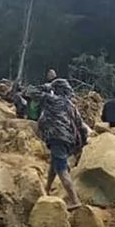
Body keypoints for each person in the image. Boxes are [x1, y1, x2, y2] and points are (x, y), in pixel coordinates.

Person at [39, 78, 88, 210]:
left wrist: (45, 87)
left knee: (61, 169)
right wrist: (83, 143)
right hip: (68, 140)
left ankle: (74, 200)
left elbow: (32, 92)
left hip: (57, 137)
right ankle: (46, 189)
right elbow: (81, 126)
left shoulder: (51, 100)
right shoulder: (71, 105)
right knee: (54, 165)